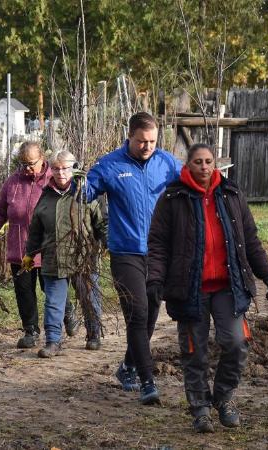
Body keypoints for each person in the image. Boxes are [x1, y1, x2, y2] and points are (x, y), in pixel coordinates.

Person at [147, 143, 268, 433]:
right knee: (194, 352)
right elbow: (157, 244)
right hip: (189, 288)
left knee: (235, 343)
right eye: (198, 162)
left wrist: (266, 273)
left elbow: (250, 239)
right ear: (188, 165)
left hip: (229, 287)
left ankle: (224, 397)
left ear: (215, 164)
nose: (204, 167)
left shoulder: (231, 195)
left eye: (208, 161)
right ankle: (200, 409)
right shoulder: (172, 198)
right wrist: (154, 279)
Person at [85, 112, 181, 405]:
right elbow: (86, 190)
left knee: (151, 313)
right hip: (125, 251)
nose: (147, 146)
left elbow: (189, 187)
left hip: (158, 252)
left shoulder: (167, 163)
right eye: (141, 141)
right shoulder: (110, 164)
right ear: (130, 136)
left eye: (152, 141)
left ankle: (127, 366)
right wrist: (73, 184)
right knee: (137, 313)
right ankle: (147, 381)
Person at [0, 142, 78, 349]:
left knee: (50, 288)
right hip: (20, 248)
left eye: (30, 164)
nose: (26, 168)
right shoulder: (12, 183)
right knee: (24, 290)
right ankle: (30, 330)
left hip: (47, 248)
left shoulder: (53, 178)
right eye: (22, 164)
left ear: (42, 158)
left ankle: (67, 310)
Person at [22, 150, 107, 357]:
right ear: (51, 170)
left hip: (83, 257)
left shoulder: (87, 192)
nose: (61, 173)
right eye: (56, 169)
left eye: (65, 168)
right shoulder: (46, 195)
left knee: (89, 296)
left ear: (74, 168)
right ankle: (53, 341)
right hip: (54, 258)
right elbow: (36, 229)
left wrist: (109, 244)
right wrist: (30, 254)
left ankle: (93, 334)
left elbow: (102, 223)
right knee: (53, 302)